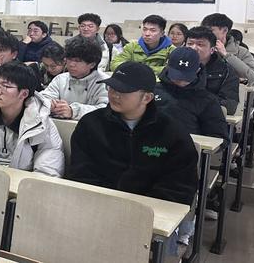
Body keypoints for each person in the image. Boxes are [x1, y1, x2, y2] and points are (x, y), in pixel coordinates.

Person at [68, 62, 198, 208]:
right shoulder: (90, 124)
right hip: (97, 205)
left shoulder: (172, 133)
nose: (114, 95)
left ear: (147, 98)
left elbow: (178, 187)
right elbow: (81, 173)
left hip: (153, 211)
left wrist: (141, 209)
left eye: (123, 91)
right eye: (112, 88)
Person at [0, 62, 64, 176]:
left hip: (23, 184)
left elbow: (47, 172)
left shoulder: (42, 125)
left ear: (24, 94)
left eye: (6, 86)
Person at [154, 47, 228, 140]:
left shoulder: (207, 100)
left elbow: (219, 137)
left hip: (187, 146)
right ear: (167, 66)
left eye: (186, 76)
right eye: (176, 75)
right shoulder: (153, 91)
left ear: (197, 70)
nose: (180, 80)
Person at [41, 37, 109, 119]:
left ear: (92, 64)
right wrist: (50, 104)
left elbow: (105, 109)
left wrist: (73, 111)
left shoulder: (104, 82)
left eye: (77, 61)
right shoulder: (60, 79)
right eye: (69, 59)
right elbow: (43, 98)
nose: (71, 64)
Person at [186, 27, 240, 115]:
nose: (194, 48)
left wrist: (197, 98)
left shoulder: (226, 71)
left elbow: (230, 106)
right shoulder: (176, 64)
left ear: (212, 49)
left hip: (206, 117)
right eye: (190, 43)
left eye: (200, 44)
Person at [201, 14, 254, 85]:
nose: (205, 34)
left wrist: (226, 55)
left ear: (225, 30)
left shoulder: (241, 51)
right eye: (203, 30)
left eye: (210, 30)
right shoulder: (198, 49)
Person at [110, 14, 175, 76]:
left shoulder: (171, 50)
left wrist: (144, 70)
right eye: (145, 29)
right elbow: (115, 64)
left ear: (162, 33)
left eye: (153, 30)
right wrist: (135, 69)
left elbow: (171, 71)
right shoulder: (132, 46)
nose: (147, 34)